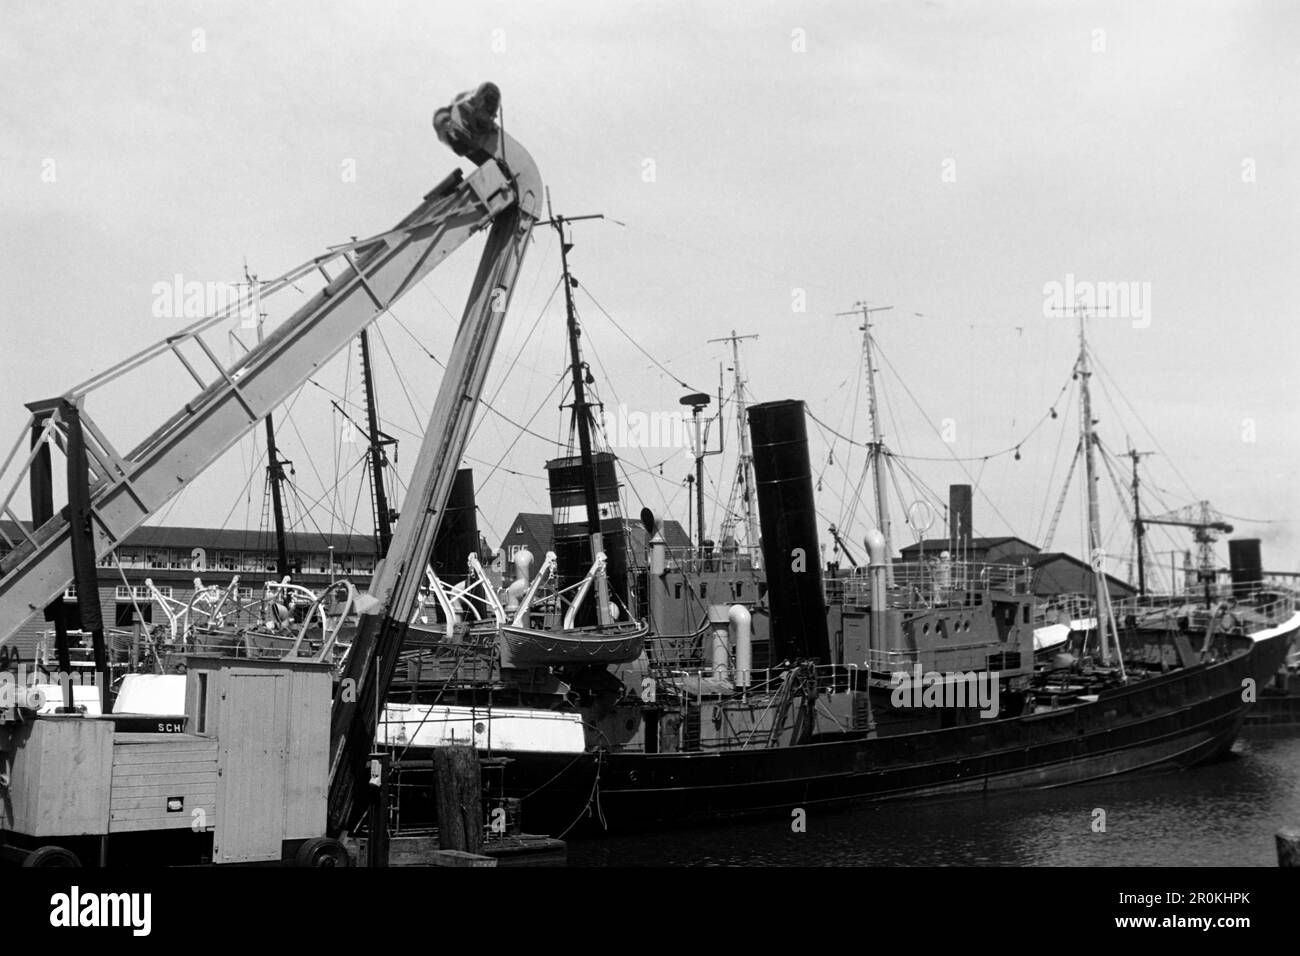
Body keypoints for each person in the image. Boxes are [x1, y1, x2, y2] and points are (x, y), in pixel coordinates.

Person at [433, 82, 501, 165]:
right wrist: (445, 122)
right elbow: (441, 117)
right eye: (486, 103)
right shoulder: (463, 109)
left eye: (491, 107)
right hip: (458, 146)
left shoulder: (491, 129)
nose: (487, 108)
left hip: (480, 155)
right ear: (479, 99)